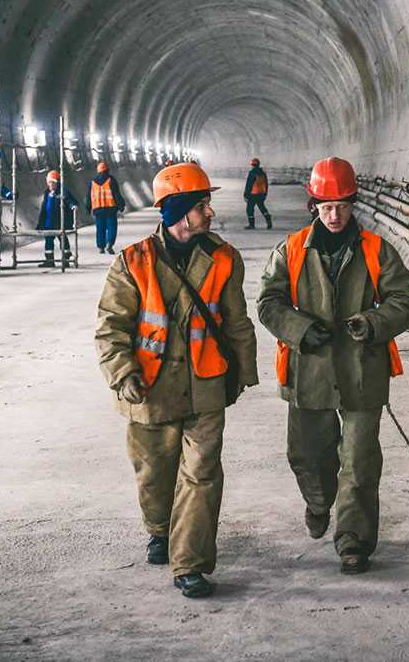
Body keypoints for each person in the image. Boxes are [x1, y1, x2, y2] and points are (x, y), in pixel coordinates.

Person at [94, 162, 259, 599]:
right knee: (154, 472)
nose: (210, 213)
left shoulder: (224, 258)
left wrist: (243, 373)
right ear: (181, 211)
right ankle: (159, 529)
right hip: (149, 389)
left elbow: (236, 321)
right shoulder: (133, 262)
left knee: (202, 473)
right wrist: (122, 372)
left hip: (206, 383)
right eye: (203, 205)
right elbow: (112, 326)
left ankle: (190, 564)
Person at [256, 156, 409, 574]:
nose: (335, 215)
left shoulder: (377, 251)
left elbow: (406, 300)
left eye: (342, 206)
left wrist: (373, 322)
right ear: (314, 205)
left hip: (362, 371)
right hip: (308, 371)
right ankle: (317, 502)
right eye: (326, 207)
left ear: (353, 204)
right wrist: (298, 328)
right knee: (309, 457)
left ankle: (353, 540)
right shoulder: (291, 250)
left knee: (360, 460)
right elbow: (268, 302)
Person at [36, 169, 79, 267]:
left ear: (57, 183)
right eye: (49, 182)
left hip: (60, 223)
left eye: (53, 182)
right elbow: (44, 209)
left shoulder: (62, 192)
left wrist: (72, 206)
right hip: (48, 223)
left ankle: (66, 258)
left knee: (63, 240)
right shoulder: (47, 193)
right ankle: (50, 260)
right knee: (48, 242)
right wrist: (40, 223)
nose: (51, 184)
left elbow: (69, 200)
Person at [90, 160, 123, 254]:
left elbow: (89, 196)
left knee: (100, 229)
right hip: (110, 209)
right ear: (107, 170)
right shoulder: (111, 180)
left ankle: (101, 247)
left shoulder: (92, 182)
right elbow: (116, 194)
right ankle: (110, 244)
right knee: (112, 228)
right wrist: (121, 205)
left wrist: (88, 208)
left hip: (98, 209)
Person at [243, 157, 272, 230]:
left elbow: (249, 185)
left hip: (253, 194)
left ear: (252, 165)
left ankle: (251, 225)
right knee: (262, 208)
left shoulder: (252, 173)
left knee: (249, 209)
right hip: (261, 194)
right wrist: (265, 194)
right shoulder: (263, 173)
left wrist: (246, 195)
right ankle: (269, 221)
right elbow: (266, 184)